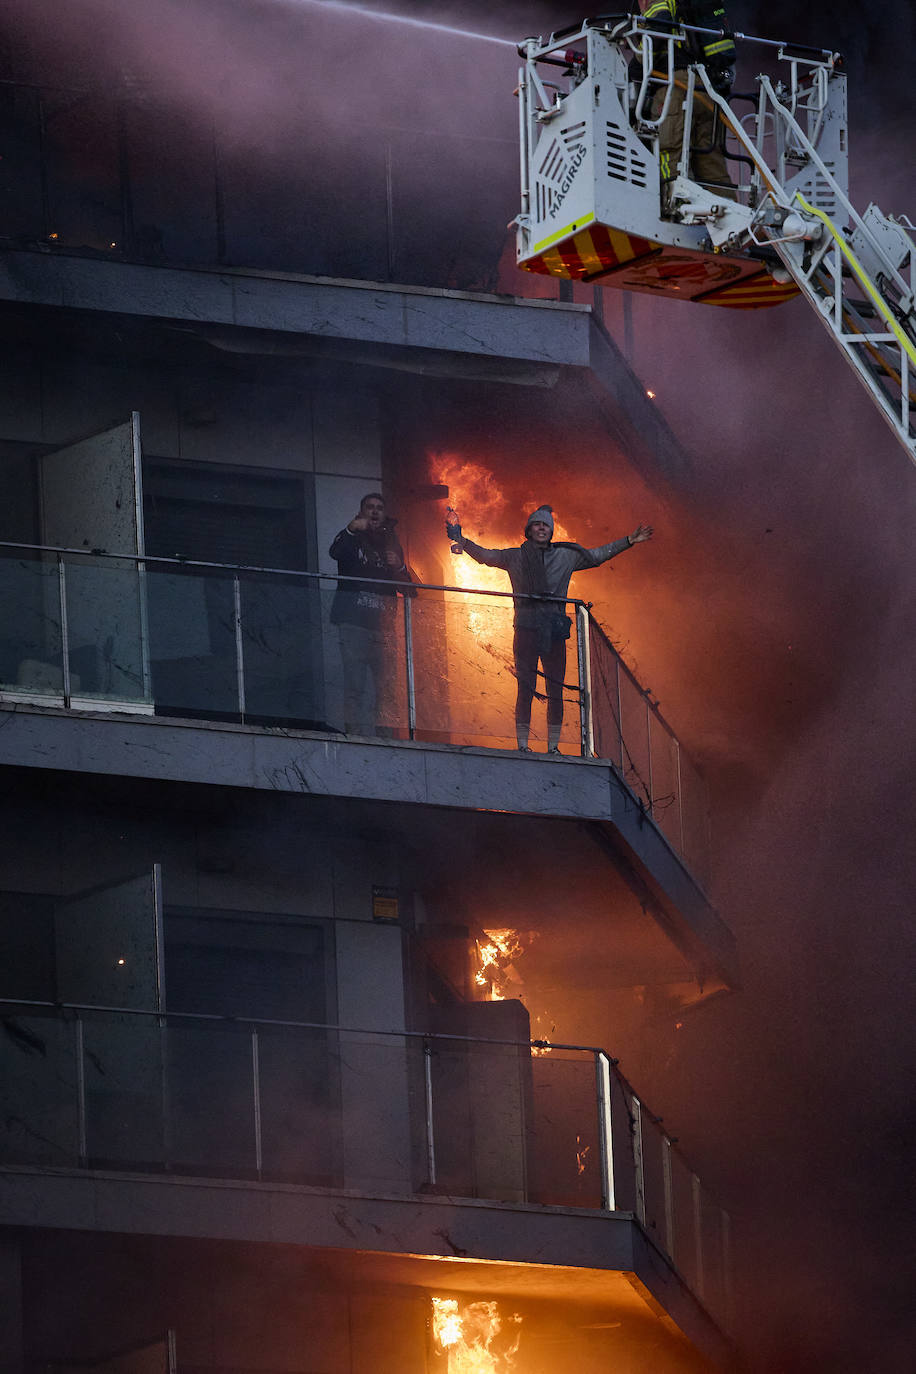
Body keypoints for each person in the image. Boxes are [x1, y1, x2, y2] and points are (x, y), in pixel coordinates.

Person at [446, 504, 652, 754]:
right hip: (526, 629)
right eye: (537, 524)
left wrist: (629, 540)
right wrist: (462, 540)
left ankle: (553, 747)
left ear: (551, 531)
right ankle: (523, 745)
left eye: (546, 525)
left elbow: (597, 556)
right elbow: (486, 556)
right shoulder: (515, 556)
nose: (542, 528)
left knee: (555, 688)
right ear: (529, 530)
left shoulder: (567, 556)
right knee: (526, 687)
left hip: (554, 631)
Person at [640, 0, 737, 207]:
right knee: (712, 161)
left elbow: (659, 26)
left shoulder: (659, 2)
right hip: (709, 89)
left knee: (669, 150)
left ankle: (673, 206)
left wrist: (638, 62)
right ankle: (728, 209)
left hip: (676, 86)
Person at [329, 493, 410, 736]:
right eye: (370, 507)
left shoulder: (392, 542)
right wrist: (351, 529)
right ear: (362, 512)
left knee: (387, 690)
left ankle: (387, 739)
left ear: (385, 514)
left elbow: (409, 590)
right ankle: (353, 737)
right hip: (354, 625)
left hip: (384, 629)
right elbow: (335, 552)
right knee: (354, 685)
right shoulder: (351, 538)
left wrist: (400, 566)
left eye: (379, 508)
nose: (375, 511)